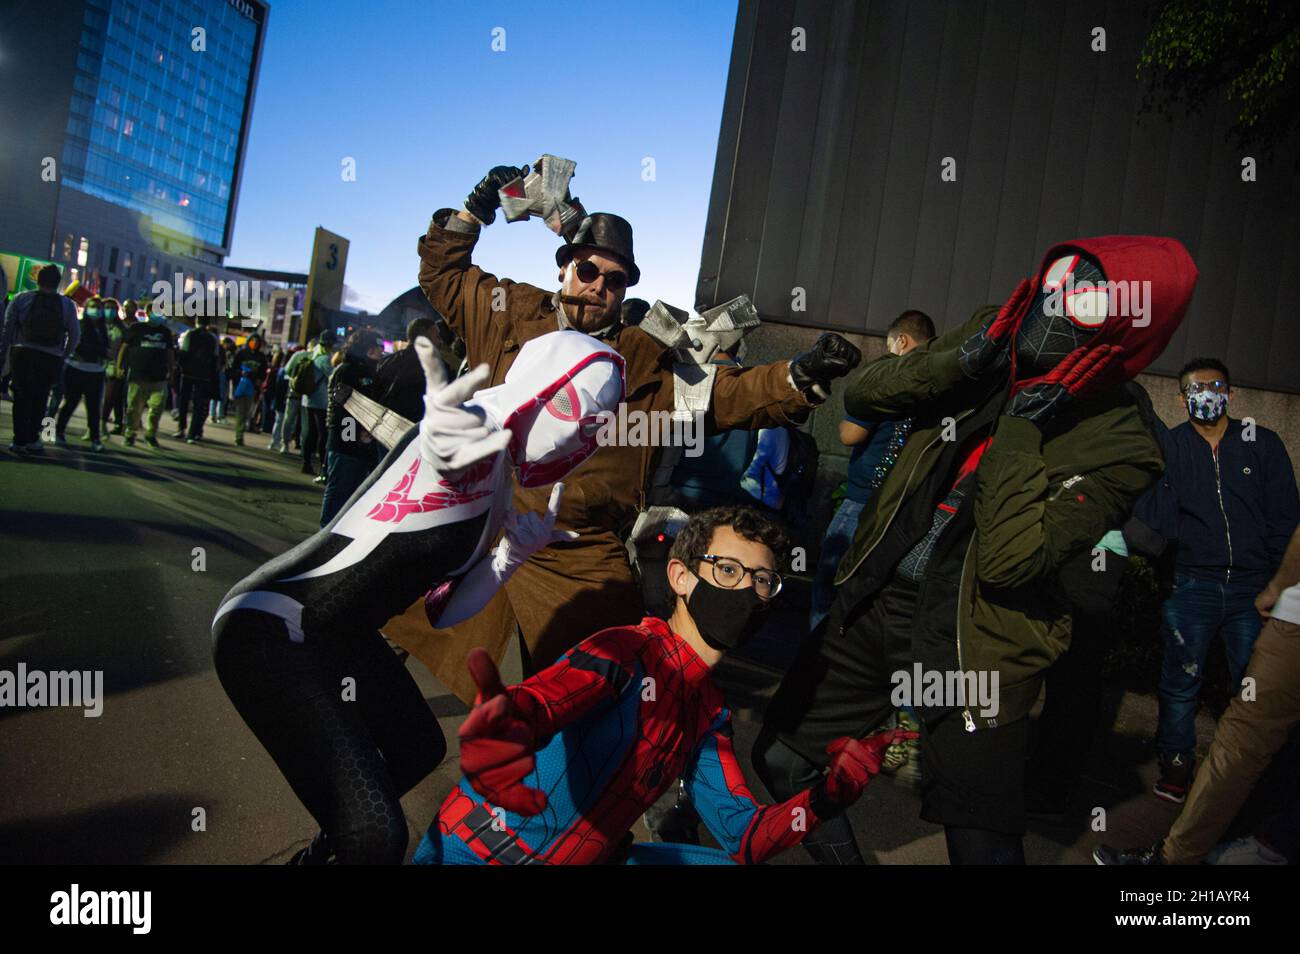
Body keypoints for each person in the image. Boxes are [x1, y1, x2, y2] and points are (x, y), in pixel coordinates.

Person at [753, 236, 1198, 865]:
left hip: (975, 641)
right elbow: (866, 397)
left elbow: (1011, 560)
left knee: (979, 836)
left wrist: (1021, 426)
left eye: (1085, 301)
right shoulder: (995, 335)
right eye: (1054, 287)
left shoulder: (1124, 438)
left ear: (1126, 327)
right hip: (879, 597)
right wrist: (963, 358)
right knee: (780, 758)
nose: (1056, 307)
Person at [383, 162, 860, 702]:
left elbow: (724, 396)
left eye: (615, 281)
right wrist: (475, 210)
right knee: (391, 628)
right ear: (564, 268)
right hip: (472, 520)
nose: (598, 289)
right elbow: (443, 275)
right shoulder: (509, 313)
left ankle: (554, 762)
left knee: (602, 686)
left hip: (576, 546)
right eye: (588, 271)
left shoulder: (642, 357)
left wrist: (800, 376)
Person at [212, 330, 624, 864]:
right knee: (375, 837)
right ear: (536, 379)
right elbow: (442, 448)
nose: (573, 428)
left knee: (416, 749)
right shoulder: (471, 429)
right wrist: (445, 428)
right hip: (275, 626)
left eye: (593, 421)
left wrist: (509, 559)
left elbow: (443, 609)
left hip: (341, 635)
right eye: (569, 401)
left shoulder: (499, 476)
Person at [414, 505, 915, 865]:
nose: (747, 589)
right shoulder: (623, 652)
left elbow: (745, 839)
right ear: (679, 576)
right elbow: (551, 697)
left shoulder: (708, 710)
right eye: (727, 569)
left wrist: (829, 795)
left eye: (763, 580)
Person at [1138, 358, 1300, 803]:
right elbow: (1155, 519)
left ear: (1229, 393)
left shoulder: (1261, 444)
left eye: (1214, 386)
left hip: (1253, 589)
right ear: (1181, 397)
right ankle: (1175, 768)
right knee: (1180, 682)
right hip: (1192, 586)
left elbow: (1286, 518)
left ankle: (1252, 776)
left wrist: (1277, 583)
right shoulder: (1170, 448)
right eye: (1195, 388)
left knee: (1251, 686)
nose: (1205, 394)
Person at [1095, 523, 1300, 865]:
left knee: (1244, 741)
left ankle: (1179, 858)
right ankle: (1271, 843)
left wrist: (1277, 587)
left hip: (1293, 622)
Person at [810, 311, 934, 631]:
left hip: (862, 501)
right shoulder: (933, 382)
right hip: (904, 506)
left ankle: (815, 658)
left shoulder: (888, 377)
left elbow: (850, 435)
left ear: (900, 341)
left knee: (828, 584)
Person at [1, 264, 80, 454]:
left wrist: (6, 353)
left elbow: (8, 328)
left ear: (37, 279)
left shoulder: (21, 298)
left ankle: (18, 440)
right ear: (58, 282)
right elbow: (75, 334)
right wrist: (64, 354)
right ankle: (33, 439)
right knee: (40, 396)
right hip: (50, 356)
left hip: (22, 352)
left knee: (20, 396)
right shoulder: (67, 305)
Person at [319, 329, 385, 525]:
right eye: (377, 348)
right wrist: (353, 437)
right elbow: (341, 409)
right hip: (345, 445)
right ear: (368, 349)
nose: (381, 352)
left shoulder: (367, 371)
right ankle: (325, 534)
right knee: (339, 491)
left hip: (360, 445)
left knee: (349, 495)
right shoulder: (347, 371)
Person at [54, 295, 111, 450]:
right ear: (86, 308)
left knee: (93, 408)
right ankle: (58, 432)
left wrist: (101, 353)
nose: (96, 310)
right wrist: (99, 351)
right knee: (70, 403)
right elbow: (78, 346)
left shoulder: (103, 328)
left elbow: (105, 350)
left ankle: (95, 439)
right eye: (93, 306)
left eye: (99, 308)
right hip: (76, 368)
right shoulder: (80, 324)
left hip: (96, 371)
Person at [117, 300, 176, 448]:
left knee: (157, 407)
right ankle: (130, 433)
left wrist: (171, 370)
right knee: (134, 407)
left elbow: (169, 353)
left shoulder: (165, 332)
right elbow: (124, 348)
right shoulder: (137, 328)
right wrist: (120, 366)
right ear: (148, 312)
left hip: (159, 376)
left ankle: (151, 434)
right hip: (138, 375)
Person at [372, 318, 444, 424]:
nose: (440, 341)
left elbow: (375, 396)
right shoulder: (438, 367)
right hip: (416, 434)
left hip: (384, 427)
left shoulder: (385, 362)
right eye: (437, 336)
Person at [175, 315, 221, 443]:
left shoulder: (189, 334)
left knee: (183, 402)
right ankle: (192, 433)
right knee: (198, 405)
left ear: (196, 321)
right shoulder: (213, 338)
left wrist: (181, 368)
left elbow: (183, 352)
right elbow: (215, 358)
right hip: (204, 376)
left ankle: (181, 428)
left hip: (188, 373)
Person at [297, 332, 335, 476]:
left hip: (308, 400)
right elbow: (333, 377)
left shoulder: (313, 355)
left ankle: (306, 462)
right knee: (322, 434)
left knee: (309, 432)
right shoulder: (325, 359)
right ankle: (322, 467)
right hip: (321, 402)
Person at [230, 333, 270, 447]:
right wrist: (239, 374)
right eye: (253, 341)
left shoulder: (261, 357)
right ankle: (239, 435)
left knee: (247, 412)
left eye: (257, 342)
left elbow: (263, 373)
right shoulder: (241, 354)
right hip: (239, 386)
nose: (255, 343)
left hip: (252, 388)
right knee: (240, 411)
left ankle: (241, 431)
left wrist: (259, 380)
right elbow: (233, 369)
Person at [101, 299, 129, 436]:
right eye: (107, 307)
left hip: (114, 365)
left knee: (111, 396)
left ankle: (103, 422)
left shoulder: (122, 328)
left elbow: (125, 349)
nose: (110, 310)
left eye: (113, 308)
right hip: (96, 363)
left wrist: (121, 366)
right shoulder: (96, 325)